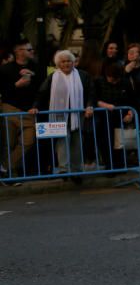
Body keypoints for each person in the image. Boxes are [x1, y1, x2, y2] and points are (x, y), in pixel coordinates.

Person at [32, 50, 95, 178]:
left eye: (69, 61)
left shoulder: (83, 75)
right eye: (63, 61)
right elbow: (42, 93)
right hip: (60, 115)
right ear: (58, 64)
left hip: (78, 115)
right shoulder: (52, 77)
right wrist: (35, 107)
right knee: (62, 140)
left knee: (77, 142)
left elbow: (91, 92)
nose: (66, 63)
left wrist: (89, 105)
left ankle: (76, 170)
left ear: (73, 62)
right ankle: (64, 169)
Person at [0, 40, 45, 180]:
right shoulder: (5, 69)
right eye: (27, 49)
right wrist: (16, 85)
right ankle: (11, 175)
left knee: (29, 140)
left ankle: (5, 166)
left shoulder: (36, 67)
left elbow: (42, 88)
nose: (31, 52)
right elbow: (2, 92)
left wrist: (33, 75)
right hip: (10, 108)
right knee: (10, 142)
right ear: (18, 51)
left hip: (30, 110)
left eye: (31, 49)